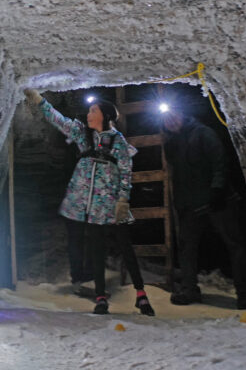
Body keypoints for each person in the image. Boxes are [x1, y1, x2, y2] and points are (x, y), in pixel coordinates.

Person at [24, 88, 155, 316]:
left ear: (104, 115)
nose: (88, 113)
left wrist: (123, 199)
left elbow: (125, 170)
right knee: (96, 249)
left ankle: (141, 295)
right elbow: (60, 120)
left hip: (113, 203)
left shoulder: (117, 140)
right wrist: (39, 101)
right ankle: (101, 297)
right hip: (91, 205)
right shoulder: (83, 134)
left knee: (126, 248)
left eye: (93, 110)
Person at [161, 108, 246, 310]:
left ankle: (244, 294)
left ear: (182, 114)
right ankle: (189, 289)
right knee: (187, 247)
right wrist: (181, 204)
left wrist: (218, 189)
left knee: (234, 244)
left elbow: (220, 161)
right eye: (165, 119)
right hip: (190, 204)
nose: (170, 121)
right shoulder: (172, 142)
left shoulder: (203, 133)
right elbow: (179, 174)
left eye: (173, 115)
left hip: (217, 200)